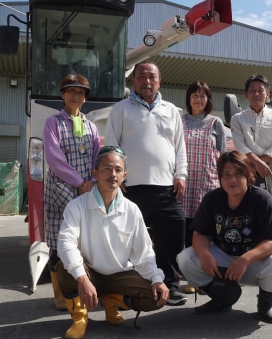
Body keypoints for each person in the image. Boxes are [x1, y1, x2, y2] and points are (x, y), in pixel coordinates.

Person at [56, 146, 169, 339]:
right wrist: (82, 279)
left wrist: (157, 279)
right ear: (95, 173)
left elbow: (144, 252)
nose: (112, 174)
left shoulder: (132, 210)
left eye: (118, 170)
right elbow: (65, 243)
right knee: (65, 269)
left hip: (119, 275)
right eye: (107, 169)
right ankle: (80, 317)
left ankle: (113, 300)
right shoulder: (77, 206)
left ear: (124, 175)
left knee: (156, 297)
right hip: (90, 272)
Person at [176, 151, 272, 324]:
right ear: (220, 177)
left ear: (248, 174)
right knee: (186, 258)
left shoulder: (262, 199)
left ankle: (266, 303)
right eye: (226, 175)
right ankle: (222, 298)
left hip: (254, 260)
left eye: (238, 173)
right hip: (224, 259)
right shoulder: (212, 199)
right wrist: (205, 255)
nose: (232, 179)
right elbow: (199, 234)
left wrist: (245, 259)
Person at [104, 61, 188, 306]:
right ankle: (127, 288)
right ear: (134, 82)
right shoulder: (120, 109)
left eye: (152, 76)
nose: (147, 81)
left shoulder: (171, 110)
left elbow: (179, 147)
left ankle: (170, 287)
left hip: (166, 187)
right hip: (132, 188)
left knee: (172, 233)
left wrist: (180, 175)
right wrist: (116, 178)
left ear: (159, 81)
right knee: (126, 239)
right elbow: (111, 146)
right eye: (141, 76)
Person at [43, 74, 102, 311]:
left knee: (84, 240)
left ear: (85, 98)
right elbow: (54, 159)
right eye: (71, 92)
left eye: (81, 93)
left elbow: (97, 155)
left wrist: (92, 180)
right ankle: (59, 292)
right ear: (62, 95)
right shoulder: (52, 122)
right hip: (61, 189)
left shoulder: (91, 126)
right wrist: (79, 181)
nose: (76, 96)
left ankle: (82, 288)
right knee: (59, 241)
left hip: (87, 187)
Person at [230, 74, 272, 248]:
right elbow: (239, 145)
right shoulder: (238, 119)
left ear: (267, 94)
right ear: (246, 95)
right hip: (246, 167)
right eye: (252, 91)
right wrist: (255, 164)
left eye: (260, 90)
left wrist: (260, 163)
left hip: (271, 167)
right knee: (246, 208)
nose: (256, 94)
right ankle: (249, 245)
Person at [182, 81, 226, 247]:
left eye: (202, 95)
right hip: (184, 184)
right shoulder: (179, 121)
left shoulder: (215, 122)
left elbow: (222, 155)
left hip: (207, 184)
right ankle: (184, 267)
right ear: (188, 99)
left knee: (207, 227)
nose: (198, 99)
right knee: (184, 228)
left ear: (208, 99)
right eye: (194, 95)